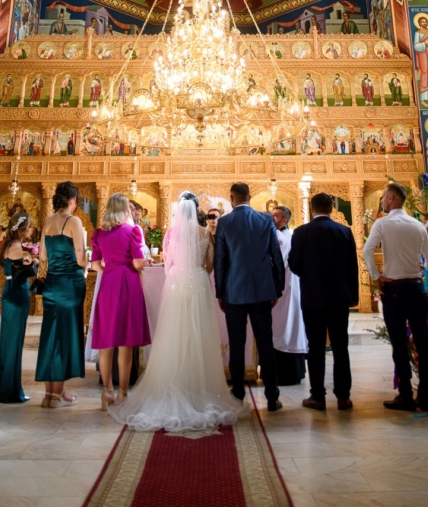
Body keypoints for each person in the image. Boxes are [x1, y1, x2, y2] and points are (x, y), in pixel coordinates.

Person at [111, 192, 245, 431]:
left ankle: (174, 380)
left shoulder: (171, 233)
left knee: (175, 332)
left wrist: (178, 273)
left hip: (176, 282)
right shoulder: (205, 233)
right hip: (198, 281)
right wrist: (198, 271)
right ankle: (200, 385)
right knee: (198, 332)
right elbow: (210, 264)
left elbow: (169, 261)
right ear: (196, 211)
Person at [363, 182, 428, 411]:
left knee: (399, 343)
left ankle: (405, 395)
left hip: (394, 291)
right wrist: (420, 275)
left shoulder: (383, 223)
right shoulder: (418, 225)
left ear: (391, 199)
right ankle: (424, 396)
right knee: (422, 342)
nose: (382, 201)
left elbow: (367, 250)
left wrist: (376, 277)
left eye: (383, 197)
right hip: (417, 289)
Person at [214, 182, 285, 412]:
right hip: (262, 291)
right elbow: (275, 254)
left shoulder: (225, 222)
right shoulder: (265, 220)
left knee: (236, 344)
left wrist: (220, 292)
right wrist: (277, 288)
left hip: (233, 291)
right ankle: (272, 397)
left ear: (231, 198)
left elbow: (220, 260)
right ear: (250, 197)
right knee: (265, 343)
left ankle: (237, 393)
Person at [289, 193, 358, 410]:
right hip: (339, 298)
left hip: (313, 297)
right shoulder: (344, 231)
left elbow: (294, 263)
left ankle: (317, 396)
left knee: (316, 347)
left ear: (312, 209)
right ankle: (343, 397)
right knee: (340, 347)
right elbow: (352, 266)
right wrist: (353, 296)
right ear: (331, 208)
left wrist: (310, 277)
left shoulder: (301, 232)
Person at [90, 193, 150, 410]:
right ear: (125, 209)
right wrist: (143, 262)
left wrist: (111, 270)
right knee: (126, 340)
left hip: (108, 284)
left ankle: (106, 391)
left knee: (106, 339)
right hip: (128, 283)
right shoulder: (133, 231)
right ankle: (123, 393)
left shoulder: (99, 233)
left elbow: (95, 265)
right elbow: (138, 262)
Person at [35, 182, 87, 407]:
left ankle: (51, 393)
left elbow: (43, 257)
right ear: (72, 200)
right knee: (65, 336)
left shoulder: (48, 221)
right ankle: (56, 395)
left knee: (51, 335)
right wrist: (85, 260)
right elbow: (81, 259)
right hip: (70, 285)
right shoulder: (74, 221)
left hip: (52, 285)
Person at [0, 213, 37, 404]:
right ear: (21, 230)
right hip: (16, 294)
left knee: (11, 340)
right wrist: (27, 255)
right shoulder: (15, 246)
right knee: (13, 341)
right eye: (29, 227)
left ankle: (8, 387)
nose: (31, 230)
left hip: (13, 291)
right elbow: (14, 255)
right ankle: (9, 391)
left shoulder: (11, 244)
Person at [271, 206, 307, 385]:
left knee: (285, 327)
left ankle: (286, 373)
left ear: (284, 220)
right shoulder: (288, 236)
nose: (272, 218)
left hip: (285, 288)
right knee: (286, 326)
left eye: (275, 215)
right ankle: (292, 372)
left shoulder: (281, 237)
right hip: (288, 287)